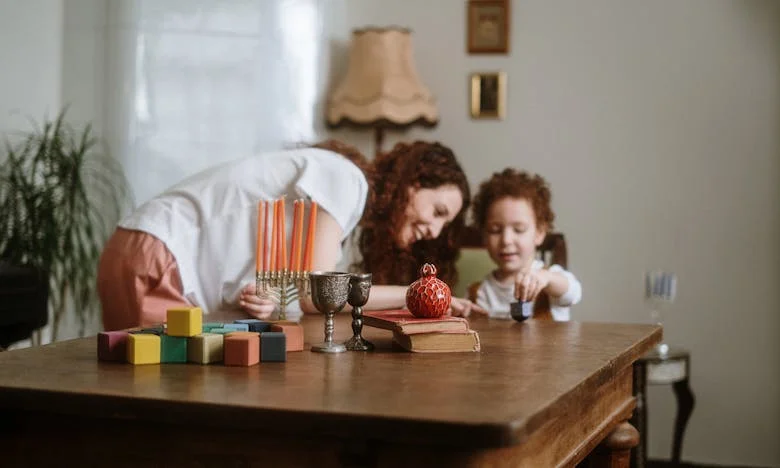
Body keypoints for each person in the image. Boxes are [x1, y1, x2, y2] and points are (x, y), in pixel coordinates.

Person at [98, 140, 482, 330]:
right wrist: (419, 294)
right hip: (157, 254)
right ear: (411, 184)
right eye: (438, 212)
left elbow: (294, 293)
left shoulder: (336, 191)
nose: (433, 230)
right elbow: (318, 293)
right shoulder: (346, 179)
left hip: (144, 248)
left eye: (443, 226)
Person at [468, 168, 581, 320]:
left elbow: (573, 293)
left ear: (539, 233)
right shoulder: (478, 292)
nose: (506, 240)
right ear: (484, 235)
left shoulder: (550, 280)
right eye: (495, 230)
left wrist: (546, 278)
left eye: (519, 230)